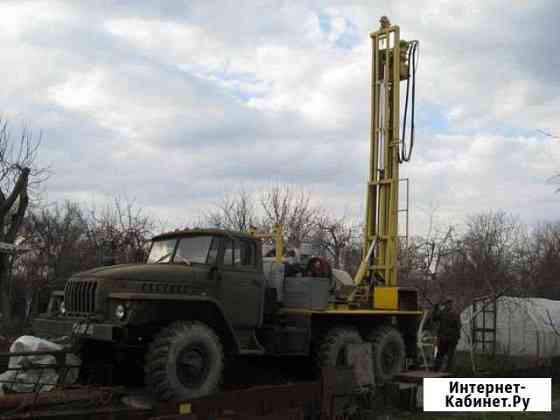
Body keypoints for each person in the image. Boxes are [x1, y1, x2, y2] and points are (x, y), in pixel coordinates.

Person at [433, 297, 461, 371]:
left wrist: (456, 338)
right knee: (441, 354)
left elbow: (458, 326)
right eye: (447, 303)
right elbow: (434, 318)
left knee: (448, 355)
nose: (449, 305)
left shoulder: (454, 313)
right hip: (444, 338)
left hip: (449, 338)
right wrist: (436, 308)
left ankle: (445, 371)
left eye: (449, 303)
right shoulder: (443, 313)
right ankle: (437, 369)